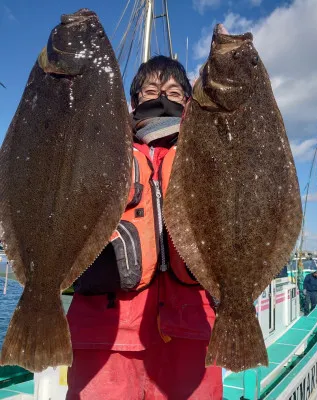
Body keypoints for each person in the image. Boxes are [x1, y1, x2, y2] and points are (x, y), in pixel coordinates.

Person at [66, 56, 222, 400]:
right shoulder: (101, 149)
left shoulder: (213, 154)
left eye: (175, 92)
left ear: (190, 102)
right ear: (133, 101)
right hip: (105, 333)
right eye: (151, 90)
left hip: (193, 333)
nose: (162, 97)